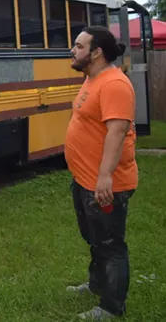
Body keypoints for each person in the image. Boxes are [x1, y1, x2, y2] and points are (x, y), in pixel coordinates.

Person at [64, 26, 138, 321]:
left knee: (110, 244)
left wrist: (105, 177)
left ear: (96, 53)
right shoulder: (91, 79)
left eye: (79, 46)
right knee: (95, 238)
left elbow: (117, 132)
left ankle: (111, 307)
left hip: (107, 184)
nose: (73, 50)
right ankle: (96, 284)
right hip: (84, 179)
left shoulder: (114, 85)